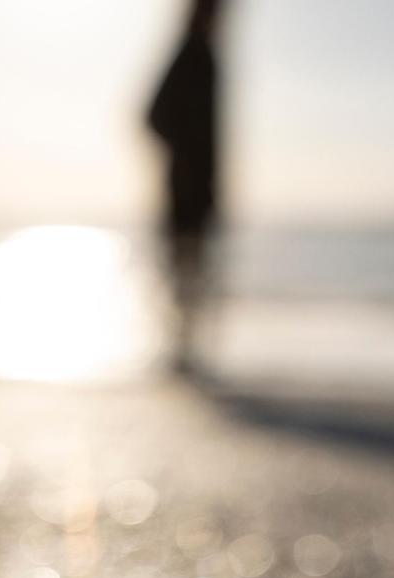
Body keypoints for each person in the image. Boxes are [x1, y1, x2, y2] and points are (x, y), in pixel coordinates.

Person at [145, 0, 225, 373]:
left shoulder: (208, 55)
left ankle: (187, 351)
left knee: (196, 271)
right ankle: (179, 352)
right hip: (184, 191)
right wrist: (185, 161)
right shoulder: (192, 55)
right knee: (183, 270)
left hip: (201, 190)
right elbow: (152, 115)